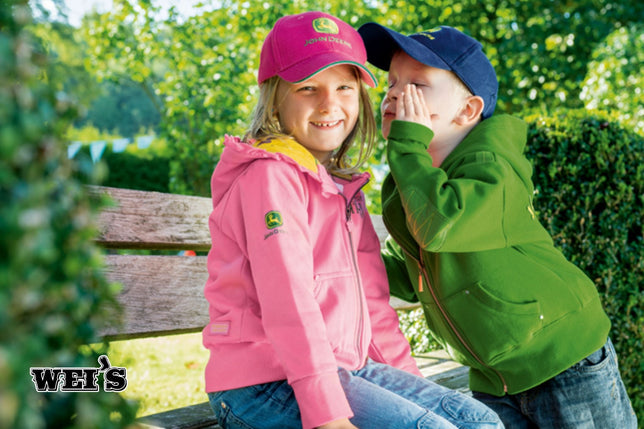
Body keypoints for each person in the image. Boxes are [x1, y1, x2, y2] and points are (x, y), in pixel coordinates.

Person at [202, 11, 503, 429]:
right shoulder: (269, 178)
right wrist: (327, 417)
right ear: (274, 98)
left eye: (345, 87)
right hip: (262, 385)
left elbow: (374, 306)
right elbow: (289, 304)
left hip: (342, 369)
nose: (330, 104)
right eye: (308, 88)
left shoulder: (344, 190)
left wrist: (412, 388)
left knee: (479, 422)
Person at [357, 22, 638, 429]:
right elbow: (413, 269)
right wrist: (340, 257)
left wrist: (406, 145)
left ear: (468, 111)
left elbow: (440, 226)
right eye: (391, 83)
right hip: (494, 378)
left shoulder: (493, 168)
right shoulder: (412, 181)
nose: (396, 94)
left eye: (417, 85)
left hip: (562, 357)